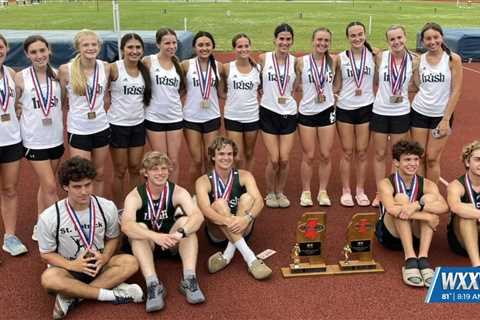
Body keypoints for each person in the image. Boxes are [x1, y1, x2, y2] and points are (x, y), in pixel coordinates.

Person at [37, 157, 142, 320]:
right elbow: (46, 254)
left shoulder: (107, 207)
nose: (84, 191)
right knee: (49, 279)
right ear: (65, 187)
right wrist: (72, 265)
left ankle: (72, 296)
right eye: (77, 187)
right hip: (69, 269)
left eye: (88, 185)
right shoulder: (49, 217)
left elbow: (113, 238)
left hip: (100, 265)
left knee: (131, 262)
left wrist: (105, 256)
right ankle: (112, 295)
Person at [121, 151, 205, 313]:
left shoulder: (178, 192)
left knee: (186, 223)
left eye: (164, 168)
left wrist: (181, 232)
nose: (160, 173)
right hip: (149, 245)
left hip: (171, 242)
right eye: (154, 169)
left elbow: (198, 216)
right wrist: (155, 236)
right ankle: (153, 285)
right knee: (139, 230)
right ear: (145, 173)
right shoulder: (135, 196)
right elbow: (126, 226)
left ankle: (189, 279)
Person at [195, 136, 272, 280]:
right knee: (219, 204)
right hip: (217, 233)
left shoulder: (245, 175)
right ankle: (251, 259)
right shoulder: (203, 181)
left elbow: (260, 202)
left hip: (243, 227)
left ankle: (227, 255)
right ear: (213, 157)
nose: (226, 158)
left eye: (229, 154)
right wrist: (228, 221)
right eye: (221, 154)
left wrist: (246, 219)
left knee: (248, 198)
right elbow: (205, 210)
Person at [375, 140, 448, 288]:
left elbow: (444, 206)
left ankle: (422, 257)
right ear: (396, 162)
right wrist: (426, 216)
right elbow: (391, 209)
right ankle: (410, 258)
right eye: (407, 159)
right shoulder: (386, 183)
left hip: (416, 235)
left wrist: (418, 205)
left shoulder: (427, 184)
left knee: (428, 200)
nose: (412, 163)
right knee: (401, 200)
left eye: (415, 159)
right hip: (390, 235)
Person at [15, 35, 64, 242]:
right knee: (51, 187)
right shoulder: (20, 77)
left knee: (46, 186)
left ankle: (39, 222)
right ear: (27, 54)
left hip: (56, 138)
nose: (39, 55)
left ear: (49, 50)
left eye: (42, 50)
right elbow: (12, 103)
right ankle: (57, 230)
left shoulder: (59, 75)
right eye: (33, 52)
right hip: (34, 140)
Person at [58, 29, 110, 196]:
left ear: (99, 47)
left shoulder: (106, 67)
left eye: (94, 44)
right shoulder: (66, 69)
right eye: (85, 44)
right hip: (79, 129)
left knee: (99, 174)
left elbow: (106, 96)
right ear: (78, 47)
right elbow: (62, 99)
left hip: (101, 126)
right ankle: (81, 213)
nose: (90, 48)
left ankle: (98, 211)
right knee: (81, 176)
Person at [370, 26, 418, 207]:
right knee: (380, 154)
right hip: (380, 111)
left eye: (399, 37)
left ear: (405, 37)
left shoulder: (415, 60)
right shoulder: (381, 57)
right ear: (387, 42)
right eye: (392, 39)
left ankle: (392, 192)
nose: (396, 42)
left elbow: (417, 84)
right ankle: (379, 192)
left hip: (401, 112)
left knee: (396, 156)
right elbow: (374, 80)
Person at [411, 22, 463, 184]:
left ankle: (432, 193)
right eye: (428, 39)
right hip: (419, 112)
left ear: (442, 37)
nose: (432, 41)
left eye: (436, 37)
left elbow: (456, 91)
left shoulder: (452, 59)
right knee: (419, 156)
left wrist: (446, 119)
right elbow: (418, 86)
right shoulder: (420, 60)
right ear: (422, 41)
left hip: (441, 116)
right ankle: (420, 192)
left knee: (432, 158)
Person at [334, 21, 376, 207]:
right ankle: (346, 190)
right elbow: (336, 84)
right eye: (353, 35)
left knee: (362, 152)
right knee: (347, 151)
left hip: (367, 107)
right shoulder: (340, 58)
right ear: (348, 38)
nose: (357, 38)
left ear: (365, 35)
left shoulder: (375, 56)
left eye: (360, 34)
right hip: (345, 108)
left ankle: (359, 189)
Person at [108, 33, 151, 209]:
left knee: (135, 167)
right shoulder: (113, 68)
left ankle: (134, 206)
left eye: (138, 47)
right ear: (122, 49)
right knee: (119, 170)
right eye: (130, 47)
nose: (134, 51)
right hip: (118, 125)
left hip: (138, 124)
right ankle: (118, 208)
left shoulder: (145, 69)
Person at [258, 23, 298, 208]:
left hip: (289, 113)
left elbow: (297, 86)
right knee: (273, 159)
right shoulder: (263, 59)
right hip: (268, 112)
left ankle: (280, 192)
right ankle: (269, 193)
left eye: (288, 39)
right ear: (275, 39)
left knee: (284, 159)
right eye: (281, 38)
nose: (284, 42)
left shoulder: (296, 62)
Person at [297, 27, 337, 207]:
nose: (322, 43)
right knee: (309, 155)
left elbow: (336, 83)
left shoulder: (333, 61)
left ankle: (322, 191)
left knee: (326, 154)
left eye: (326, 40)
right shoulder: (301, 62)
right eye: (319, 40)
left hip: (327, 110)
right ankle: (306, 192)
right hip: (306, 111)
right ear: (312, 41)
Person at [181, 31, 222, 187]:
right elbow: (179, 89)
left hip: (211, 116)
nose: (204, 48)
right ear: (194, 47)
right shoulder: (185, 65)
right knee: (197, 160)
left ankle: (210, 193)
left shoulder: (219, 67)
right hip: (191, 118)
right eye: (200, 45)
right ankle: (193, 196)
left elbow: (223, 91)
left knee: (210, 159)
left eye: (207, 45)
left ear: (212, 47)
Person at [143, 28, 184, 183]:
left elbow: (181, 90)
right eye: (167, 43)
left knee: (173, 161)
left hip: (174, 117)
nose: (171, 46)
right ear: (158, 44)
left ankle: (172, 196)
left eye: (174, 42)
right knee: (160, 161)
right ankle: (159, 196)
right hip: (154, 118)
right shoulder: (149, 61)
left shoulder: (178, 64)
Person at [0, 34, 27, 257]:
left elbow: (16, 103)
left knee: (9, 190)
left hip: (10, 139)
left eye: (0, 47)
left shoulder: (10, 74)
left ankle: (9, 236)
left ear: (7, 49)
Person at [222, 33, 261, 171]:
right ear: (234, 49)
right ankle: (236, 184)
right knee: (236, 156)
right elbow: (221, 91)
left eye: (246, 46)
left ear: (250, 47)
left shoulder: (258, 69)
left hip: (252, 117)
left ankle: (247, 182)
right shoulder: (226, 68)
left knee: (249, 153)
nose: (243, 49)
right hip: (233, 116)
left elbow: (262, 90)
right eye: (239, 46)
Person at [447, 140, 480, 267]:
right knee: (466, 214)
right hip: (461, 242)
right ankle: (477, 267)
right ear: (467, 162)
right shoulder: (456, 186)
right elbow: (455, 207)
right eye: (477, 159)